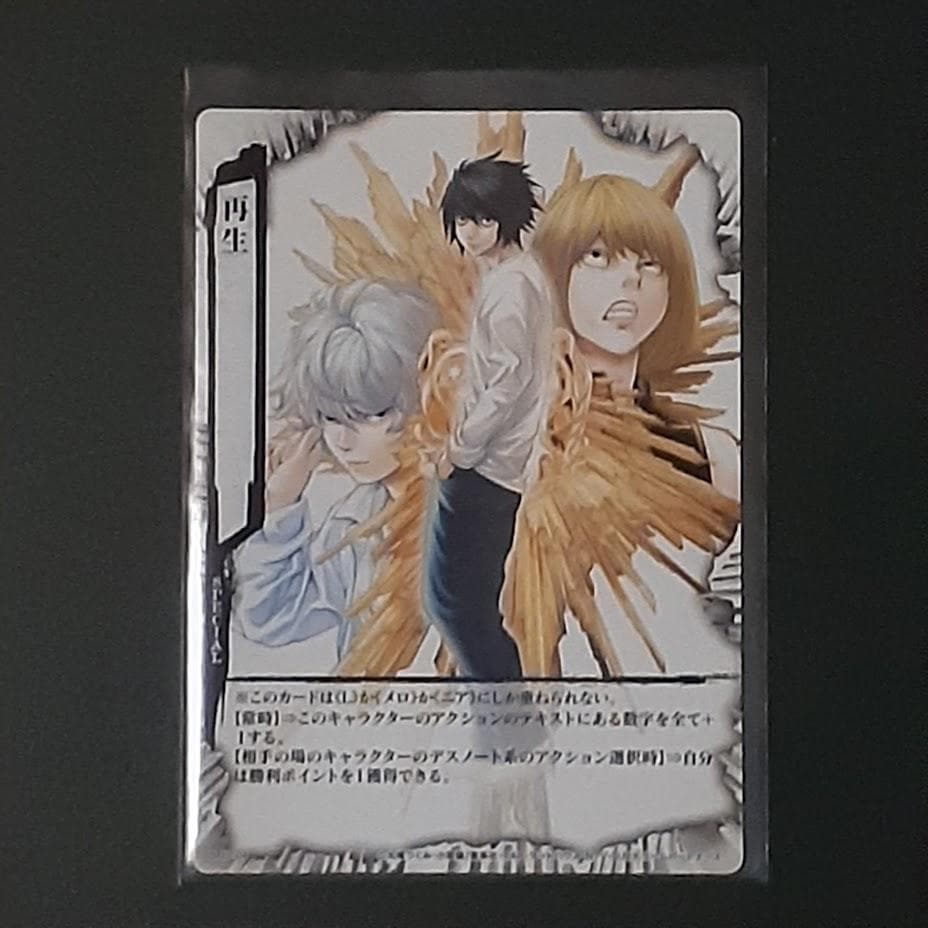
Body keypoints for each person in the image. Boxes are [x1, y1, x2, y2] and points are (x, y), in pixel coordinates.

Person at [532, 171, 741, 675]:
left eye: (650, 263)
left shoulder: (713, 454)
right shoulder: (511, 440)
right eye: (598, 256)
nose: (630, 280)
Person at [230, 279, 437, 670]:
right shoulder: (355, 519)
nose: (342, 441)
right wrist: (281, 508)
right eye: (331, 417)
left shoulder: (470, 510)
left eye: (371, 415)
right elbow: (268, 618)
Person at [422, 152, 552, 680]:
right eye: (461, 221)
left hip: (486, 469)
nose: (470, 232)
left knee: (457, 605)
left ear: (507, 218)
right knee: (464, 604)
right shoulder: (515, 277)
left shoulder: (511, 287)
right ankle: (505, 713)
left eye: (483, 219)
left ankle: (508, 716)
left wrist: (460, 451)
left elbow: (507, 382)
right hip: (498, 464)